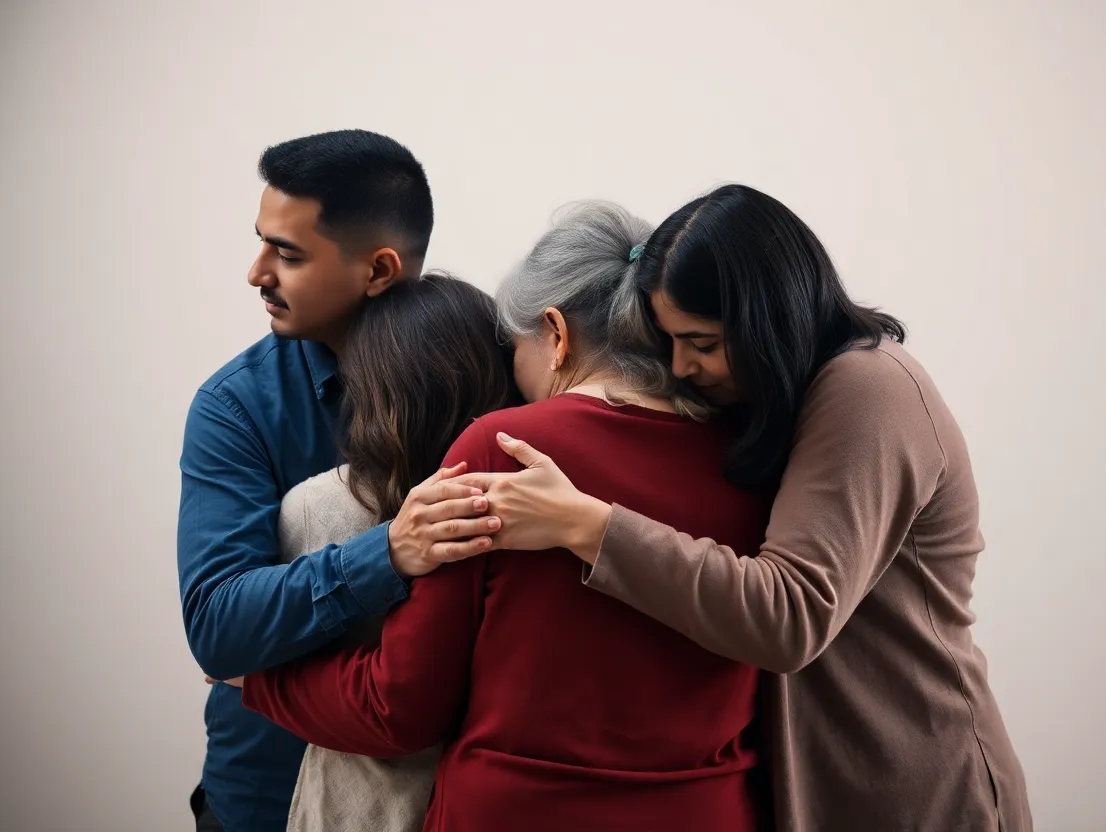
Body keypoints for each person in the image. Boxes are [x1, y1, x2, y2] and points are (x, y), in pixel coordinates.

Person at [441, 185, 1035, 831]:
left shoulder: (870, 390)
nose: (681, 366)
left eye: (700, 341)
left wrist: (583, 522)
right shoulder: (784, 398)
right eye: (669, 342)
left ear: (767, 320)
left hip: (910, 789)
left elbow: (790, 616)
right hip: (825, 784)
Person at [239, 202, 774, 832]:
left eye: (513, 347)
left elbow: (400, 708)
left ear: (555, 334)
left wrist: (258, 680)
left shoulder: (502, 448)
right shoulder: (750, 456)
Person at [176, 130, 500, 832]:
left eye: (287, 253)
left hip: (443, 803)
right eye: (263, 242)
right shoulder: (237, 406)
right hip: (263, 798)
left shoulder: (487, 370)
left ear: (379, 269)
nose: (256, 271)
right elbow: (216, 626)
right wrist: (385, 553)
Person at [269, 274, 516, 832]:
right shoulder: (532, 504)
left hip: (357, 806)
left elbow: (277, 649)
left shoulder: (314, 508)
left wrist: (255, 678)